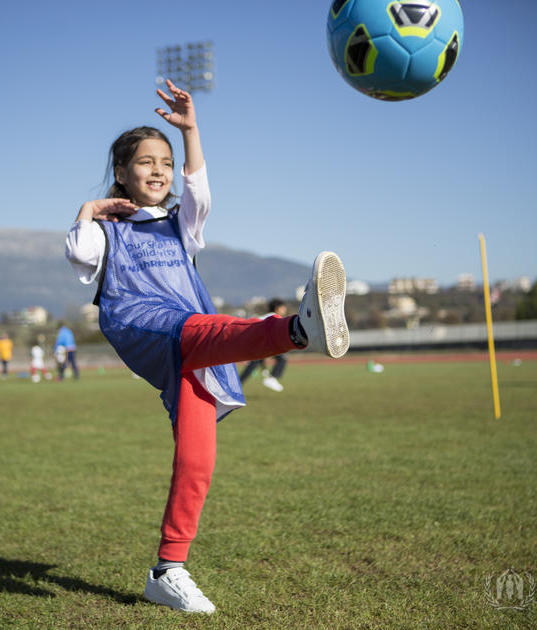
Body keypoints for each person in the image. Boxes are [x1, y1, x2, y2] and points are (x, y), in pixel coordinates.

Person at [65, 80, 348, 614]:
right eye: (145, 162)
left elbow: (201, 193)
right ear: (121, 172)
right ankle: (296, 330)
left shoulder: (181, 226)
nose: (159, 171)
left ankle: (167, 570)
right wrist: (88, 208)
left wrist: (191, 130)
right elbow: (79, 256)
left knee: (198, 461)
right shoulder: (106, 231)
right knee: (200, 327)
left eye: (165, 162)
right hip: (142, 326)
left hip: (192, 340)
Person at [239, 299, 289, 392]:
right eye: (283, 307)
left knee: (252, 366)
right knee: (282, 359)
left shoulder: (268, 316)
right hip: (260, 344)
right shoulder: (274, 317)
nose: (284, 309)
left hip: (259, 344)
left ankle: (236, 386)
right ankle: (271, 378)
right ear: (277, 308)